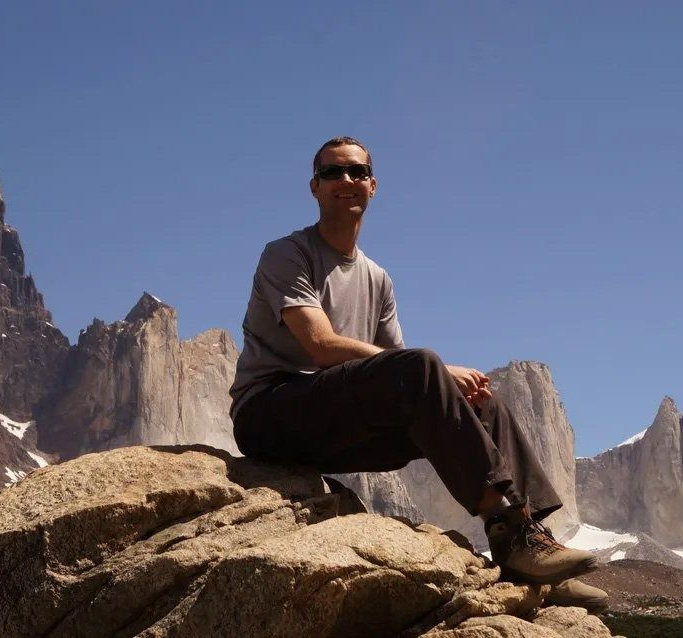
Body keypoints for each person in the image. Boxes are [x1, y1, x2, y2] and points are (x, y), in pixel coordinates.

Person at [228, 136, 607, 610]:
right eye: (332, 173)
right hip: (271, 412)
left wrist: (446, 386)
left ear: (373, 185)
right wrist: (438, 371)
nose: (345, 181)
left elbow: (401, 378)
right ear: (314, 188)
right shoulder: (287, 253)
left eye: (356, 172)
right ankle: (507, 524)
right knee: (427, 368)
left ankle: (524, 542)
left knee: (479, 402)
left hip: (330, 425)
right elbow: (321, 347)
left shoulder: (377, 278)